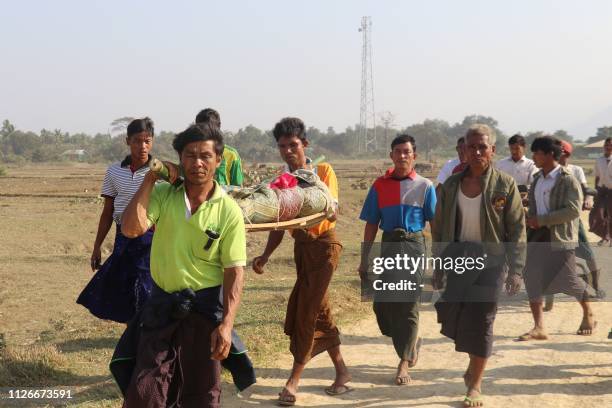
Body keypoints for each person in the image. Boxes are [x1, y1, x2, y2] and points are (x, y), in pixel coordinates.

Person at [116, 123, 247, 407]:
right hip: (161, 310)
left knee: (200, 395)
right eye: (189, 155)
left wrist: (227, 324)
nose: (197, 163)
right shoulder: (164, 196)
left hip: (205, 316)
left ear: (218, 161)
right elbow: (130, 228)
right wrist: (151, 178)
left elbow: (234, 270)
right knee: (145, 392)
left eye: (205, 156)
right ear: (179, 158)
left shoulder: (228, 211)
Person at [252, 117, 351, 406]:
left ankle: (293, 381)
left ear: (305, 144)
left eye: (293, 145)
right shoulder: (281, 182)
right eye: (282, 146)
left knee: (306, 311)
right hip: (302, 250)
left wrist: (307, 188)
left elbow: (331, 211)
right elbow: (279, 225)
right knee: (319, 310)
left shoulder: (322, 170)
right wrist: (266, 255)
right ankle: (342, 372)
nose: (288, 151)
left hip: (325, 247)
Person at [433, 124, 526, 407]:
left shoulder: (504, 185)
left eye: (482, 147)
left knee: (484, 319)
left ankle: (475, 383)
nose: (476, 152)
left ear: (492, 151)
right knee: (458, 317)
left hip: (491, 263)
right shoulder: (450, 185)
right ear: (463, 150)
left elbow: (517, 228)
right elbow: (438, 228)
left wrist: (517, 269)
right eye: (471, 147)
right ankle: (473, 367)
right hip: (458, 261)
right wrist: (438, 265)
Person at [358, 134, 436, 385]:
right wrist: (365, 258)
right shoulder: (379, 185)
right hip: (389, 244)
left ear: (415, 156)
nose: (402, 156)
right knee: (383, 304)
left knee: (408, 304)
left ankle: (404, 362)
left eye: (407, 152)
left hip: (413, 245)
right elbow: (371, 223)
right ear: (391, 155)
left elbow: (435, 224)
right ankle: (410, 343)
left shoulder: (425, 186)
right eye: (398, 151)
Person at [77, 117, 155, 323]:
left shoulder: (158, 173)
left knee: (146, 282)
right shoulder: (114, 172)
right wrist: (97, 246)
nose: (143, 146)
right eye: (137, 141)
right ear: (127, 141)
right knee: (123, 283)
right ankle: (134, 327)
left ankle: (146, 328)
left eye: (147, 141)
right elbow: (107, 212)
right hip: (123, 235)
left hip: (151, 236)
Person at [519, 136, 596, 342]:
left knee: (568, 280)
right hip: (537, 235)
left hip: (559, 236)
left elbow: (572, 211)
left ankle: (588, 312)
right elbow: (534, 208)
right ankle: (539, 327)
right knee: (531, 277)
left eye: (537, 153)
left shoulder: (567, 179)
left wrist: (542, 219)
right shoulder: (537, 179)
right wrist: (527, 218)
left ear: (550, 155)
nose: (533, 156)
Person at [544, 140, 602, 311]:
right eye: (557, 153)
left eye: (564, 153)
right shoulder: (546, 172)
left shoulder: (576, 170)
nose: (560, 156)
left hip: (573, 222)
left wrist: (589, 200)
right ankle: (549, 297)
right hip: (552, 221)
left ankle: (597, 288)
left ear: (568, 154)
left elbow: (587, 191)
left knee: (589, 255)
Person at [195, 108, 244, 186]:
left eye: (209, 129)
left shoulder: (231, 155)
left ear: (218, 127)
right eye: (202, 128)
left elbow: (237, 186)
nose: (206, 133)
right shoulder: (190, 153)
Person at [589, 137, 612, 246]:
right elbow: (597, 176)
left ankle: (608, 237)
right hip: (601, 190)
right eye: (607, 145)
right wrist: (595, 191)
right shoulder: (599, 160)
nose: (608, 147)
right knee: (599, 215)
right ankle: (604, 236)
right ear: (604, 147)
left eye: (610, 145)